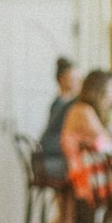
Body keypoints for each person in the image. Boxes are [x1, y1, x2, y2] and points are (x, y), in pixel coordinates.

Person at [60, 69, 112, 205]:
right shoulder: (84, 111)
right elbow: (107, 142)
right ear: (101, 90)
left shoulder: (85, 110)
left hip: (82, 171)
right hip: (80, 174)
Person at [36, 57, 82, 185]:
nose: (79, 83)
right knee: (82, 169)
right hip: (50, 159)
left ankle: (70, 203)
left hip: (46, 158)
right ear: (61, 80)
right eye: (74, 79)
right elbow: (57, 141)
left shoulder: (59, 102)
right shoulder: (68, 105)